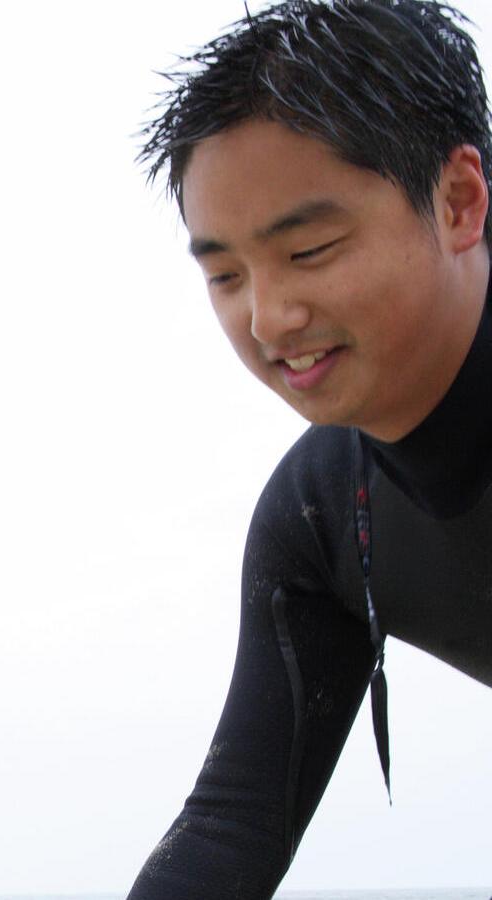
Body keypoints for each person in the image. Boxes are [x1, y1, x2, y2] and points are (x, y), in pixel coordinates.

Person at [129, 1, 492, 895]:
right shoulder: (325, 513)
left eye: (310, 250)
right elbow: (232, 824)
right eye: (225, 275)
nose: (266, 318)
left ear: (457, 202)